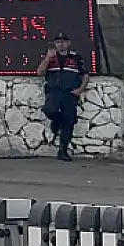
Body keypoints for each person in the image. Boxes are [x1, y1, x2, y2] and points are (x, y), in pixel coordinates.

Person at [37, 31, 88, 162]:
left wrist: (80, 90)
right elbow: (39, 72)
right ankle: (57, 121)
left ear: (68, 43)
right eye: (58, 42)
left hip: (70, 93)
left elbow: (85, 75)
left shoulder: (76, 58)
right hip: (54, 91)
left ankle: (63, 151)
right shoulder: (50, 58)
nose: (61, 44)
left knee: (69, 121)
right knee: (49, 110)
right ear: (55, 44)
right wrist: (47, 58)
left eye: (63, 42)